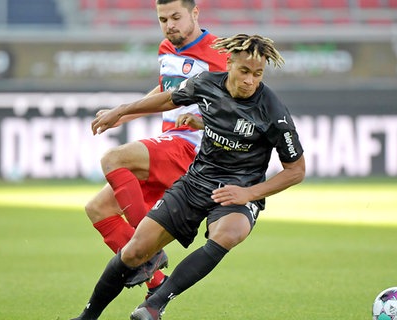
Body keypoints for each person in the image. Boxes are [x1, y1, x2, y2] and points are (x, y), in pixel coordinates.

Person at [71, 34, 306, 320]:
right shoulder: (206, 83)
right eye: (244, 71)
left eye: (257, 74)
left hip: (238, 190)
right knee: (134, 252)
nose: (250, 80)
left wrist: (249, 194)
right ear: (228, 63)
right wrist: (121, 111)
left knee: (229, 233)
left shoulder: (273, 111)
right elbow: (168, 99)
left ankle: (154, 305)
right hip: (195, 182)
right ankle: (87, 317)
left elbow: (296, 170)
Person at [83, 0, 227, 297]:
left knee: (114, 158)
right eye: (163, 19)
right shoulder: (166, 49)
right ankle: (156, 281)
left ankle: (147, 249)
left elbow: (238, 98)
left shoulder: (219, 51)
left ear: (195, 13)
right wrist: (122, 114)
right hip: (170, 145)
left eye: (176, 17)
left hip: (193, 147)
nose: (169, 24)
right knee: (98, 208)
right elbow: (165, 92)